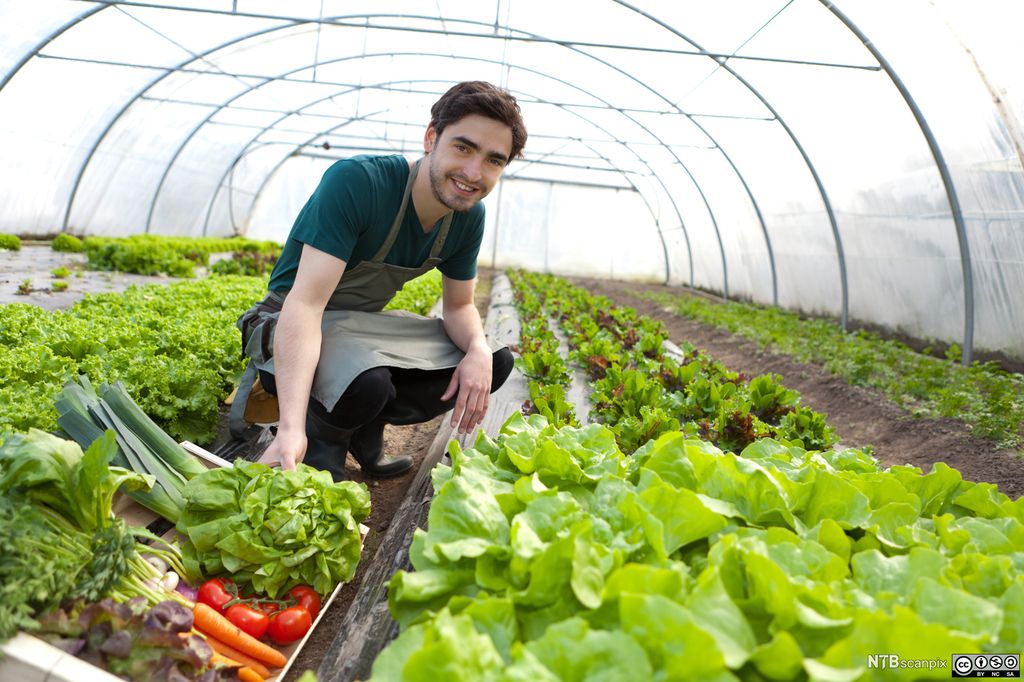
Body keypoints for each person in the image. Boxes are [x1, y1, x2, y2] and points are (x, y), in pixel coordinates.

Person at [234, 81, 525, 481]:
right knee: (367, 381)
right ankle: (321, 443)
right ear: (430, 138)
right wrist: (289, 427)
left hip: (356, 331)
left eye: (494, 160)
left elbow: (458, 307)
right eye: (463, 147)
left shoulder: (468, 217)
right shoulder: (359, 183)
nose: (474, 173)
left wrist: (476, 347)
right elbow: (305, 306)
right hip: (285, 323)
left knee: (493, 361)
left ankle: (363, 427)